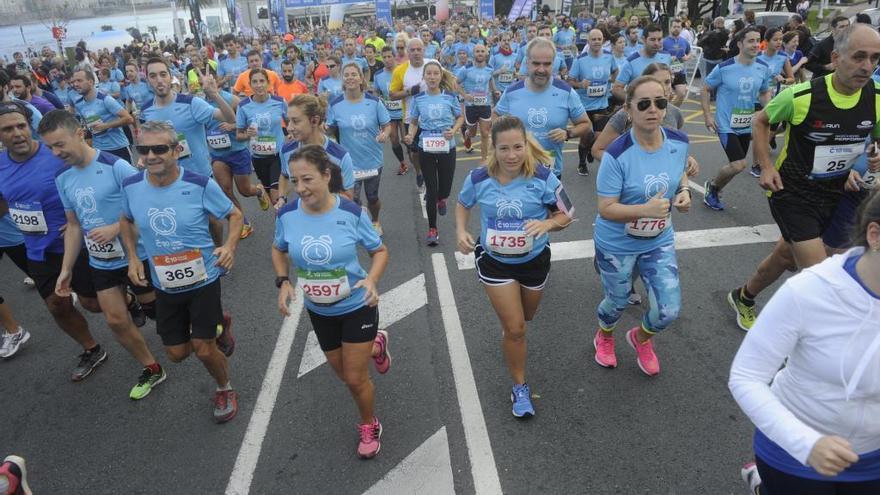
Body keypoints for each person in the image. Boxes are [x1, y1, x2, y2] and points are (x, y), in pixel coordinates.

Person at [727, 24, 880, 331]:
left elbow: (874, 137)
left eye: (875, 58)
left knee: (784, 257)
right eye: (859, 57)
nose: (867, 66)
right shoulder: (803, 95)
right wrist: (766, 166)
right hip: (792, 191)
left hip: (835, 192)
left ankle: (743, 296)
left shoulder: (876, 98)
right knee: (821, 276)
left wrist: (875, 157)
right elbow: (761, 121)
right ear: (836, 58)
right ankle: (796, 351)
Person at [730, 189, 880, 495]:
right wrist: (806, 443)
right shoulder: (810, 291)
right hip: (796, 455)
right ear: (875, 235)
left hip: (873, 460)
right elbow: (746, 377)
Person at [272, 144, 390, 459]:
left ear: (327, 176)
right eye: (295, 181)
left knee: (354, 378)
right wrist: (283, 281)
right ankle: (375, 344)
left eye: (307, 179)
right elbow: (278, 248)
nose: (300, 188)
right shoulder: (287, 215)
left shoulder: (351, 212)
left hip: (356, 305)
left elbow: (379, 251)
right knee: (342, 374)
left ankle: (369, 424)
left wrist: (372, 279)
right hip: (319, 309)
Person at [119, 121, 241, 423]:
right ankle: (218, 324)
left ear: (176, 150)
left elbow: (234, 215)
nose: (150, 155)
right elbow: (125, 219)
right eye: (144, 149)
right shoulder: (132, 186)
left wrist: (228, 247)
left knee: (202, 349)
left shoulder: (199, 183)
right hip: (165, 283)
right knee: (177, 354)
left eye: (159, 148)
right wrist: (133, 257)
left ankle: (224, 387)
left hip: (203, 279)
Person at [40, 110, 166, 399]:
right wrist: (66, 269)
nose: (55, 152)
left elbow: (146, 207)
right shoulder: (62, 178)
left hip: (138, 254)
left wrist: (114, 228)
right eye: (49, 147)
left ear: (79, 133)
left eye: (59, 144)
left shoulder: (115, 166)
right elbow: (73, 226)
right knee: (115, 320)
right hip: (102, 261)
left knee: (162, 315)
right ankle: (152, 367)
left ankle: (212, 323)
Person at [455, 115, 573, 417]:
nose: (511, 155)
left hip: (534, 261)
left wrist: (546, 223)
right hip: (495, 261)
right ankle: (519, 387)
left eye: (517, 147)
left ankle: (510, 332)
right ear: (493, 148)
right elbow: (463, 204)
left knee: (526, 316)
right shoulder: (479, 178)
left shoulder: (544, 176)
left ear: (526, 145)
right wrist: (460, 231)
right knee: (517, 328)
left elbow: (566, 214)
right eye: (504, 149)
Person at [0, 101, 110, 380]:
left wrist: (82, 223)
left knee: (93, 303)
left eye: (21, 126)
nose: (17, 133)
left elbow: (95, 186)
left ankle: (129, 301)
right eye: (8, 129)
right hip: (37, 249)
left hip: (76, 244)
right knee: (56, 304)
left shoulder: (56, 154)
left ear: (30, 127)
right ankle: (91, 348)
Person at [593, 76, 691, 376]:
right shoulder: (617, 154)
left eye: (660, 102)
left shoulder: (679, 142)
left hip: (658, 240)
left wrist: (684, 191)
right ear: (629, 109)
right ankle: (604, 336)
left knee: (667, 310)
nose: (653, 109)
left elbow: (678, 176)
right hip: (617, 243)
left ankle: (640, 337)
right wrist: (644, 210)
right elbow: (606, 209)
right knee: (618, 301)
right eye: (644, 104)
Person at [495, 37, 591, 179]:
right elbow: (495, 116)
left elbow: (586, 125)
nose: (541, 69)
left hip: (550, 173)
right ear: (527, 62)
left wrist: (568, 133)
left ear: (554, 64)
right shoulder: (511, 92)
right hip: (515, 172)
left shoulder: (566, 92)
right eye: (536, 63)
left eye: (547, 64)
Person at [701, 27, 772, 211]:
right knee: (739, 164)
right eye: (751, 41)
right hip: (725, 123)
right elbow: (705, 89)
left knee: (736, 165)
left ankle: (714, 188)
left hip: (746, 124)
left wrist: (771, 110)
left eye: (758, 40)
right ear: (740, 44)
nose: (756, 44)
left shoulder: (763, 68)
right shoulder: (724, 68)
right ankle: (713, 186)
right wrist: (708, 115)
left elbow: (764, 92)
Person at [203, 66, 269, 241]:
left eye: (210, 80)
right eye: (201, 81)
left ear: (216, 80)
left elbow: (248, 122)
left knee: (245, 190)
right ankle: (243, 223)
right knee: (225, 190)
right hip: (218, 154)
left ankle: (259, 191)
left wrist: (233, 126)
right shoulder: (200, 103)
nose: (205, 84)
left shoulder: (231, 99)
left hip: (237, 151)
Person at [403, 60, 464, 246]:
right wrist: (410, 134)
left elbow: (460, 117)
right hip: (426, 148)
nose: (432, 77)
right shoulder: (418, 99)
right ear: (424, 77)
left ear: (440, 76)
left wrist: (453, 131)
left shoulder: (449, 96)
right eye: (428, 74)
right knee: (431, 188)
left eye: (435, 74)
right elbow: (413, 121)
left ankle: (441, 199)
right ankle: (432, 229)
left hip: (447, 147)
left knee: (444, 188)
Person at [327, 63, 390, 235]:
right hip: (348, 161)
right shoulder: (335, 104)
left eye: (354, 74)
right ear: (342, 79)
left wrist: (385, 134)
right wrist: (324, 129)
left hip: (372, 158)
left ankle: (375, 221)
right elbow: (330, 129)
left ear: (361, 78)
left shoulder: (374, 102)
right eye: (346, 75)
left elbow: (386, 124)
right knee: (351, 198)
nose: (350, 78)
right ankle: (358, 221)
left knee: (372, 196)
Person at [278, 94, 355, 206]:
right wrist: (282, 198)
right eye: (288, 121)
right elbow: (284, 176)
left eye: (295, 121)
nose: (289, 128)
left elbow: (348, 198)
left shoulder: (340, 156)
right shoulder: (286, 151)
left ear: (314, 121)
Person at [235, 68, 287, 214]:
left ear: (268, 83)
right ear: (250, 85)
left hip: (278, 155)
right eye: (255, 82)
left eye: (262, 81)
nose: (259, 85)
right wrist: (247, 134)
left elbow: (291, 123)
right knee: (271, 193)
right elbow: (239, 135)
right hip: (258, 157)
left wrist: (291, 137)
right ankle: (262, 193)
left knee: (276, 194)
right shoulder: (243, 106)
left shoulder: (279, 102)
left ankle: (281, 226)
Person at [568, 28, 618, 176]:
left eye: (599, 39)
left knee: (598, 137)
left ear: (603, 41)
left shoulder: (609, 56)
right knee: (586, 135)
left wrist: (612, 80)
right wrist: (580, 85)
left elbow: (615, 71)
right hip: (583, 106)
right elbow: (570, 81)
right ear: (588, 42)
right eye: (593, 39)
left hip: (602, 104)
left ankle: (590, 149)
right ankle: (582, 163)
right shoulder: (580, 60)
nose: (597, 42)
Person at [390, 38, 434, 190]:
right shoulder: (400, 70)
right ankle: (419, 171)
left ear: (424, 50)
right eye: (412, 50)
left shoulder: (433, 64)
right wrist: (411, 91)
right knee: (415, 152)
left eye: (418, 49)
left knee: (432, 150)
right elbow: (392, 95)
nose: (416, 53)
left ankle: (432, 177)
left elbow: (447, 82)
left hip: (434, 117)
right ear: (407, 52)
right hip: (411, 118)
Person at [70, 68, 134, 162]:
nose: (75, 84)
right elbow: (87, 122)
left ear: (91, 82)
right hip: (99, 149)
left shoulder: (105, 99)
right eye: (74, 81)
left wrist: (106, 126)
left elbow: (129, 119)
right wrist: (85, 129)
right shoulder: (79, 104)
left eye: (79, 81)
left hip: (117, 146)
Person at [612, 24, 673, 102]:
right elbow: (616, 89)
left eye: (659, 39)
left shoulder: (666, 56)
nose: (657, 43)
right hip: (641, 111)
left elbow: (668, 79)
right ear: (644, 39)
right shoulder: (631, 61)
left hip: (662, 108)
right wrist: (635, 101)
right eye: (653, 39)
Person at [373, 46, 409, 176]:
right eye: (384, 57)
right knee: (394, 140)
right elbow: (376, 91)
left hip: (404, 111)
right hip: (389, 113)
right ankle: (403, 163)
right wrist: (379, 100)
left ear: (394, 57)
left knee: (406, 139)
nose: (387, 60)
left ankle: (415, 160)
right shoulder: (378, 75)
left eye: (389, 56)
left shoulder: (403, 70)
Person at [456, 44, 493, 164]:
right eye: (478, 51)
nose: (480, 53)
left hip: (485, 105)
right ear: (473, 54)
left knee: (485, 133)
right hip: (470, 106)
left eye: (482, 51)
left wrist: (495, 90)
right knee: (472, 133)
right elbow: (455, 83)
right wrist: (465, 95)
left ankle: (483, 161)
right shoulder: (465, 69)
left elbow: (490, 80)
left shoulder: (490, 68)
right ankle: (467, 135)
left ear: (486, 53)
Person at [662, 18, 692, 106]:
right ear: (670, 28)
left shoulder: (684, 41)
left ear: (681, 28)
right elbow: (658, 55)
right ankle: (664, 111)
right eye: (674, 26)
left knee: (682, 94)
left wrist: (687, 57)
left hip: (680, 72)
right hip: (666, 72)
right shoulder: (664, 41)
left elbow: (690, 51)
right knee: (667, 96)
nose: (676, 29)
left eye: (678, 27)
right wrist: (668, 58)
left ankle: (674, 111)